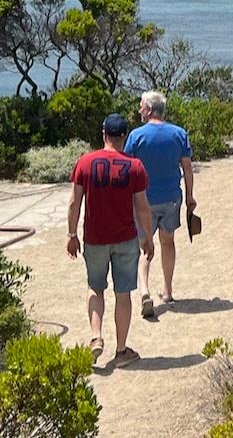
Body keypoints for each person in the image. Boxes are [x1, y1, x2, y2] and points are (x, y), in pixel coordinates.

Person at [68, 114, 154, 368]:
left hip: (95, 238)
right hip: (125, 238)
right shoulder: (135, 166)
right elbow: (143, 208)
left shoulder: (85, 162)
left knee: (95, 288)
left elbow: (75, 203)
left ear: (104, 133)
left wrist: (72, 235)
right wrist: (148, 238)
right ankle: (121, 350)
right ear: (125, 136)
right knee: (123, 293)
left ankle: (96, 337)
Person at [123, 92, 196, 321]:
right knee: (168, 242)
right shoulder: (179, 134)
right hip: (172, 197)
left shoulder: (136, 136)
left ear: (149, 109)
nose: (139, 111)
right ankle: (167, 290)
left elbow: (127, 169)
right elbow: (187, 168)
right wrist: (191, 196)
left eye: (141, 107)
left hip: (144, 200)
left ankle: (144, 291)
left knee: (145, 245)